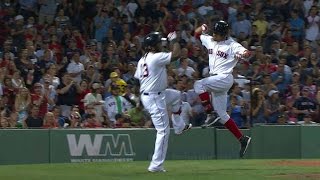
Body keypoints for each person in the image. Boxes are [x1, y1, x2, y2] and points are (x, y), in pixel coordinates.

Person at [134, 31, 191, 173]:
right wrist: (174, 40)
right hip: (154, 97)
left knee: (177, 95)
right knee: (163, 131)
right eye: (159, 42)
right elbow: (176, 55)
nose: (161, 44)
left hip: (153, 94)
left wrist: (139, 101)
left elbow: (137, 80)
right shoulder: (155, 57)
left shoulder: (143, 60)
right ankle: (156, 165)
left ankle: (179, 126)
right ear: (153, 46)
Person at [193, 20, 251, 158]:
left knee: (198, 85)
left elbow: (247, 52)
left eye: (217, 33)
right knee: (222, 114)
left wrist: (242, 55)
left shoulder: (232, 45)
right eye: (213, 32)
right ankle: (242, 139)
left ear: (224, 34)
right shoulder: (210, 40)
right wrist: (202, 27)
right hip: (216, 80)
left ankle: (209, 114)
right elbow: (196, 34)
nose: (214, 35)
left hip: (224, 77)